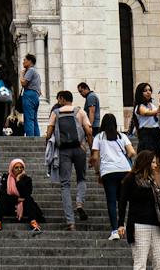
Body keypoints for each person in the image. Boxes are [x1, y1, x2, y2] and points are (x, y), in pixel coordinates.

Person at [44, 88, 93, 231]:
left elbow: (48, 133)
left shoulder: (56, 113)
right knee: (81, 178)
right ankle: (79, 203)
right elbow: (89, 131)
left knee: (65, 184)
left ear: (61, 99)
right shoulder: (80, 112)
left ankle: (71, 223)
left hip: (63, 151)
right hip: (79, 149)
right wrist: (91, 150)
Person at [120, 149, 160, 270]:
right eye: (153, 162)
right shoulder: (130, 179)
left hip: (156, 224)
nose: (156, 165)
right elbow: (122, 202)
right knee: (140, 262)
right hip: (138, 224)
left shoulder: (151, 181)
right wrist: (121, 224)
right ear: (145, 163)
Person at [94, 112, 134, 233]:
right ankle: (122, 224)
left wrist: (98, 172)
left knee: (111, 201)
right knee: (122, 199)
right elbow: (132, 152)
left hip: (108, 171)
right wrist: (124, 156)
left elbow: (95, 158)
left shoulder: (99, 137)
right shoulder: (122, 136)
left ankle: (115, 230)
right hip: (125, 170)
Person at [0, 157, 44, 233]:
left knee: (29, 199)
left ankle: (33, 222)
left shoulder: (27, 179)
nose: (19, 169)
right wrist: (17, 199)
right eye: (16, 168)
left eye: (21, 167)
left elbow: (27, 194)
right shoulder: (6, 178)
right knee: (2, 199)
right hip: (10, 207)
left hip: (24, 208)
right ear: (12, 168)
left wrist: (18, 180)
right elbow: (3, 194)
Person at [131, 82, 160, 159]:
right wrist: (158, 110)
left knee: (158, 159)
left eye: (149, 90)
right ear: (140, 93)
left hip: (156, 132)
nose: (148, 92)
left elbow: (159, 117)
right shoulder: (139, 106)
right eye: (145, 90)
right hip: (146, 133)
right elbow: (146, 113)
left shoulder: (152, 105)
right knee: (147, 161)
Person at [19, 54, 42, 136]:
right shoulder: (35, 72)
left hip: (29, 94)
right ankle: (37, 138)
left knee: (28, 118)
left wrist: (21, 75)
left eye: (25, 60)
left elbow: (24, 83)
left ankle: (30, 139)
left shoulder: (31, 70)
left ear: (30, 61)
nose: (23, 62)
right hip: (35, 95)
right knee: (34, 119)